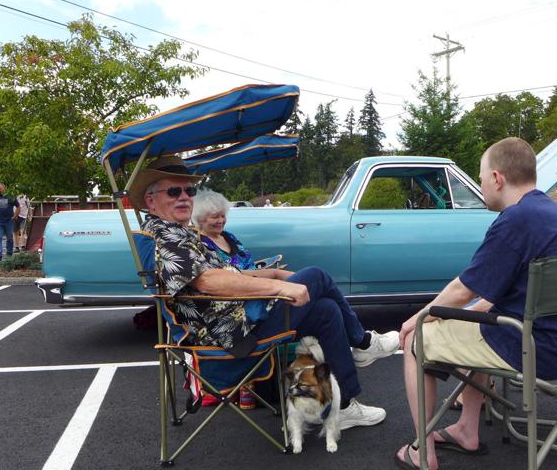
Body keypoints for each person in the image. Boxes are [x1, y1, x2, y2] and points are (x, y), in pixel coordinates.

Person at [131, 156, 399, 429]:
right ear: (151, 201)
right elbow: (207, 281)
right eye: (173, 191)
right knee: (316, 275)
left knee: (327, 312)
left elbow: (228, 274)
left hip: (237, 320)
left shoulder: (179, 232)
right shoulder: (165, 237)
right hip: (232, 334)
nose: (184, 197)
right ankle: (363, 343)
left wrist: (274, 274)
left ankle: (343, 405)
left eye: (189, 190)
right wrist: (280, 287)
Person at [394, 137, 557, 470]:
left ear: (496, 178)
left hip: (541, 348)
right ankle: (467, 429)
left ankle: (423, 451)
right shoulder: (555, 213)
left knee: (415, 340)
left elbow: (462, 290)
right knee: (485, 322)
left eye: (480, 178)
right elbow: (495, 293)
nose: (480, 185)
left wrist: (416, 319)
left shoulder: (517, 220)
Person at [191, 188, 293, 408]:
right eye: (215, 217)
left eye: (223, 215)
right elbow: (229, 278)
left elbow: (248, 266)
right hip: (237, 304)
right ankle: (249, 383)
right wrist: (271, 275)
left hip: (256, 289)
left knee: (302, 283)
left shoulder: (229, 238)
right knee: (306, 289)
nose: (221, 220)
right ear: (200, 218)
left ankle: (255, 384)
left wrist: (267, 272)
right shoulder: (199, 245)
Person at [0, 183, 19, 262]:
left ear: (4, 189)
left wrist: (15, 216)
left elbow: (18, 206)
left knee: (9, 238)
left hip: (9, 221)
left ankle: (9, 253)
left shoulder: (10, 196)